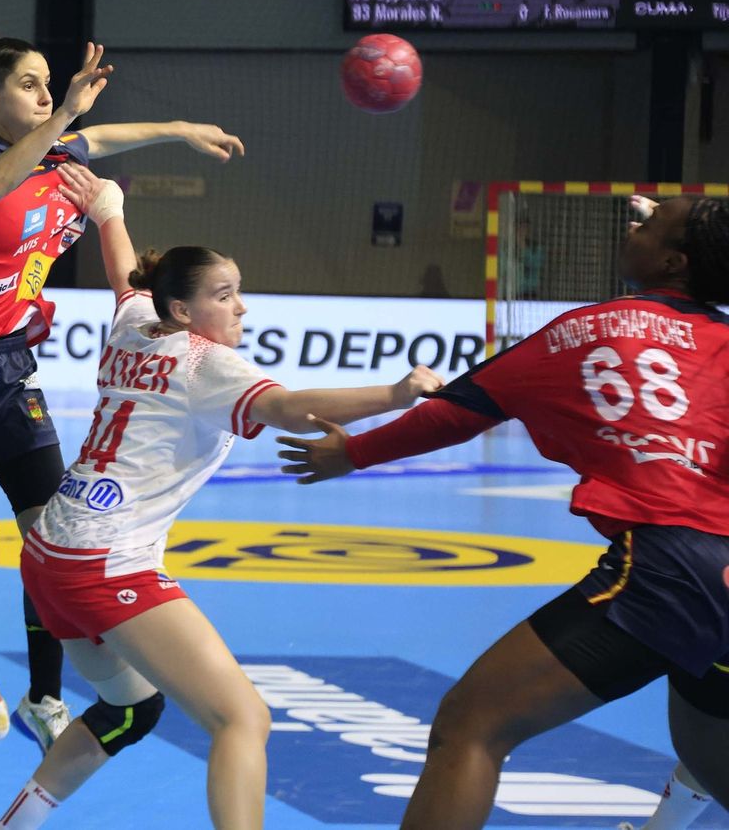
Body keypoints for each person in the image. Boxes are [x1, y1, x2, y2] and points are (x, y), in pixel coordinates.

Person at [0, 164, 439, 829]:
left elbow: (125, 277)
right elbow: (289, 408)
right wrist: (396, 394)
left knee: (130, 709)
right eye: (225, 295)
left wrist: (108, 210)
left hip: (49, 553)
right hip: (104, 564)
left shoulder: (136, 321)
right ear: (182, 310)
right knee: (243, 719)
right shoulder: (207, 363)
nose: (241, 306)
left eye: (239, 291)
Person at [278, 195, 729, 830]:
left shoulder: (587, 330)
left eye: (648, 225)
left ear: (673, 261)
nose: (633, 224)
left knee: (472, 724)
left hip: (668, 572)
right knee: (710, 758)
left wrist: (351, 452)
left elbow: (457, 412)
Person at [0, 21, 247, 755]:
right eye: (30, 85)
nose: (47, 95)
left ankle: (45, 696)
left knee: (50, 535)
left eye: (50, 84)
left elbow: (102, 138)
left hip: (10, 371)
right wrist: (69, 116)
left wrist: (180, 129)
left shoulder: (60, 152)